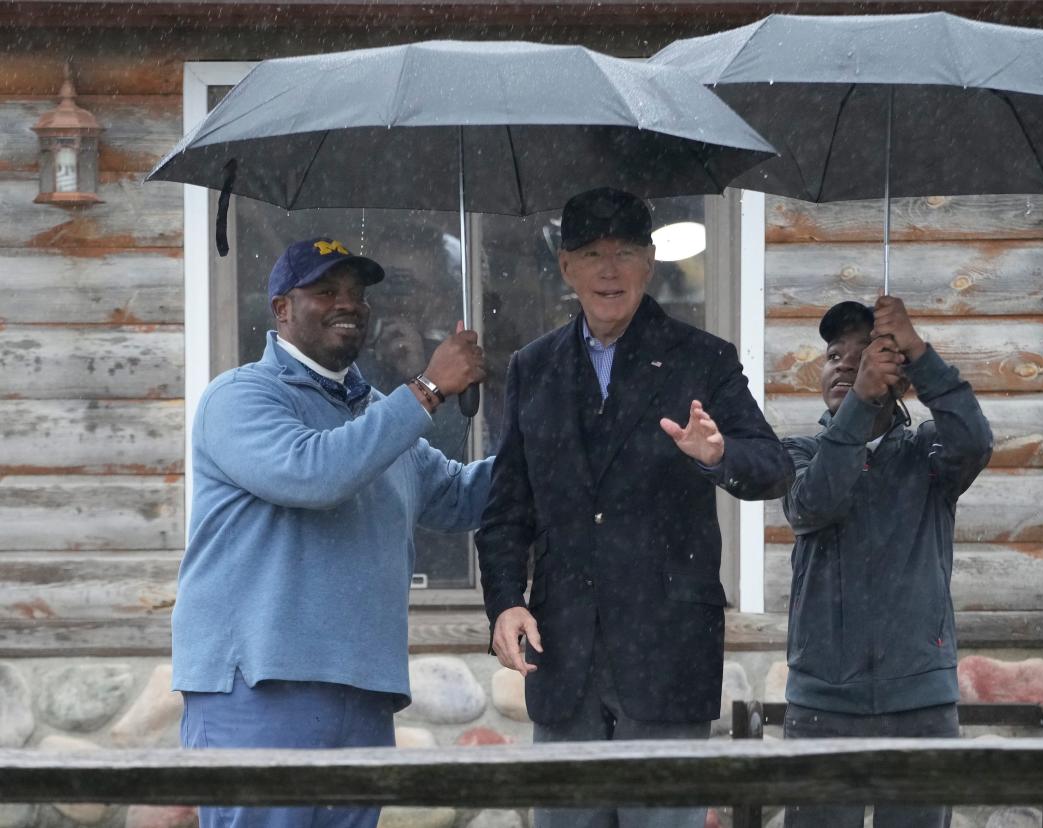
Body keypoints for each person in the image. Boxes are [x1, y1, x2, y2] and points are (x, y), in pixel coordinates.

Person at [476, 187, 794, 828]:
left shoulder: (702, 358)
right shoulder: (531, 368)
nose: (608, 270)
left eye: (624, 253)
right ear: (565, 266)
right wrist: (506, 599)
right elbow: (507, 505)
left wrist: (716, 454)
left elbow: (774, 468)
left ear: (650, 262)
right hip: (563, 656)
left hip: (666, 655)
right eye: (591, 253)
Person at [172, 236, 490, 828]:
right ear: (282, 309)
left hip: (363, 689)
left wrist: (559, 443)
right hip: (261, 687)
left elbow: (460, 496)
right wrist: (427, 387)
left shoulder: (375, 414)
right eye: (325, 291)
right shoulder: (240, 397)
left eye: (357, 293)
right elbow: (315, 474)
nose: (348, 303)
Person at [780, 297, 993, 828]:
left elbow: (975, 439)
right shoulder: (797, 453)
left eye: (864, 354)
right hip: (822, 703)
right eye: (834, 355)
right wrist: (858, 403)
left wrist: (919, 352)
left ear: (897, 378)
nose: (845, 365)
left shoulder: (928, 454)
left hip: (918, 698)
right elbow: (815, 502)